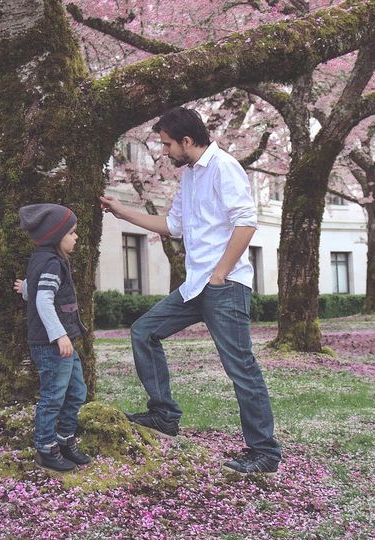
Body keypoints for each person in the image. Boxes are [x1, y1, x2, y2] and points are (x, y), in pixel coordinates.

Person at [99, 107, 281, 475]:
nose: (164, 152)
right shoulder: (191, 177)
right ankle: (164, 414)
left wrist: (220, 273)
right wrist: (122, 211)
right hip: (195, 286)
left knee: (240, 368)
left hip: (223, 286)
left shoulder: (224, 167)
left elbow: (245, 224)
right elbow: (171, 225)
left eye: (167, 145)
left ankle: (264, 452)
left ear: (186, 141)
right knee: (144, 331)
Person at [14, 203, 91, 472]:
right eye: (71, 233)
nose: (76, 237)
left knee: (77, 392)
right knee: (53, 397)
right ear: (55, 236)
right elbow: (44, 301)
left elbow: (37, 290)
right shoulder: (51, 263)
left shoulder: (45, 260)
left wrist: (25, 288)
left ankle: (65, 439)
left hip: (64, 342)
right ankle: (46, 448)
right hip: (53, 345)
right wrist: (59, 336)